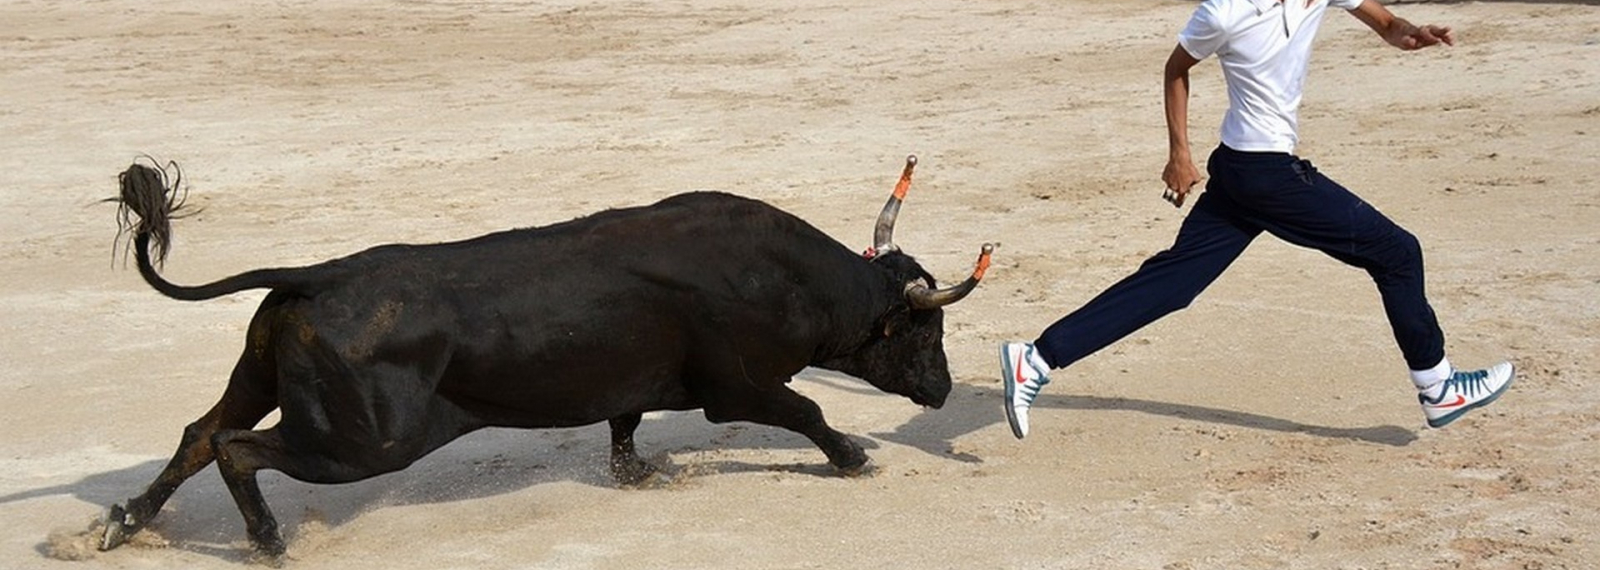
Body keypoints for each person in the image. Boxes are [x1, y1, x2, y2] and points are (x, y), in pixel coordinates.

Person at [999, 0, 1514, 439]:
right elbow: (1175, 69)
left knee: (1173, 284)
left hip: (1241, 173)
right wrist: (1179, 153)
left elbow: (1383, 22)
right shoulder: (1226, 11)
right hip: (1267, 174)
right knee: (1398, 252)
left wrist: (1410, 35)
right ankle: (1437, 385)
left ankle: (1037, 358)